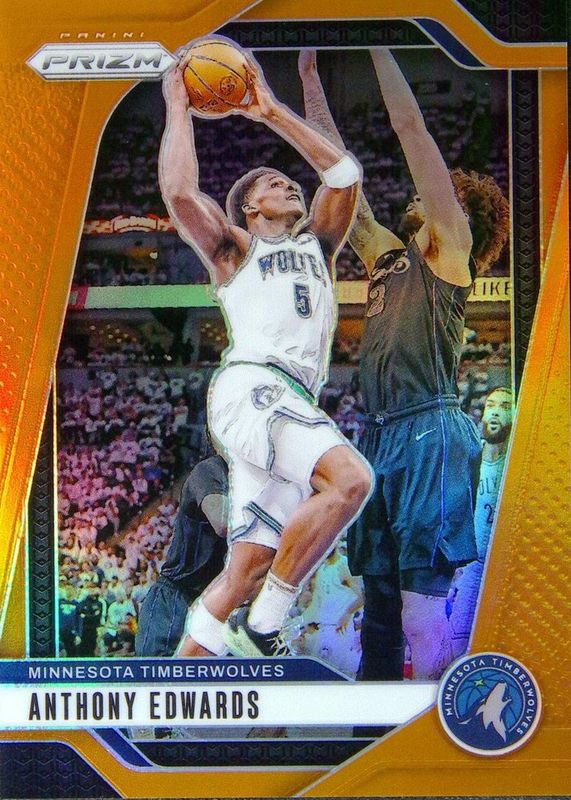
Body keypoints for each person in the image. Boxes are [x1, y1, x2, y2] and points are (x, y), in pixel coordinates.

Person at [298, 48, 509, 678]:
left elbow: (410, 128)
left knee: (421, 616)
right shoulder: (388, 257)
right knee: (380, 621)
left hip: (430, 432)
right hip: (379, 434)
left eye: (441, 191)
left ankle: (447, 720)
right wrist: (309, 79)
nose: (422, 189)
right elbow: (338, 174)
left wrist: (378, 36)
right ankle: (376, 730)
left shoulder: (451, 252)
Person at [159, 41, 372, 658]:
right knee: (351, 480)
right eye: (276, 184)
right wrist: (177, 103)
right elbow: (179, 194)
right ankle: (266, 626)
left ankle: (175, 693)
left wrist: (272, 110)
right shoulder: (235, 249)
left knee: (245, 572)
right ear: (251, 207)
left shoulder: (318, 244)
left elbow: (344, 175)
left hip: (289, 397)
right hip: (254, 385)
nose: (290, 185)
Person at [135, 454, 229, 656]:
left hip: (216, 602)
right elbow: (223, 523)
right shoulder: (211, 469)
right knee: (161, 674)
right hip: (178, 598)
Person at [447, 387, 513, 657]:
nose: (495, 412)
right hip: (471, 567)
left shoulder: (517, 465)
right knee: (456, 644)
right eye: (491, 405)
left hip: (505, 569)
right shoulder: (469, 458)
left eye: (505, 407)